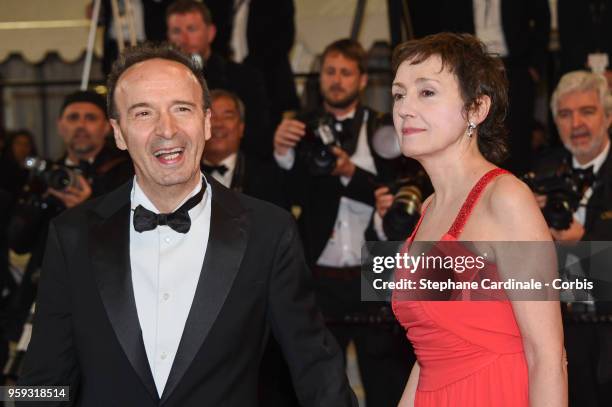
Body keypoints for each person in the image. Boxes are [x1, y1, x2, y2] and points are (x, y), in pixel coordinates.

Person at [18, 44, 356, 407]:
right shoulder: (71, 235)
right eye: (144, 113)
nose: (167, 130)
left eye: (182, 108)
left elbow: (316, 367)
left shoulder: (269, 231)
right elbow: (42, 379)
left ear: (207, 121)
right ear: (118, 132)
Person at [390, 33, 567, 406]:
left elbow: (548, 357)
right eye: (398, 94)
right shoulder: (428, 209)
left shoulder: (505, 199)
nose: (405, 108)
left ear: (476, 109)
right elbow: (430, 356)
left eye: (426, 92)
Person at [274, 38, 414, 406]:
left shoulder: (385, 127)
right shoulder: (299, 129)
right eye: (330, 72)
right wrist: (282, 154)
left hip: (375, 269)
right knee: (322, 383)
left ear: (363, 80)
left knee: (385, 380)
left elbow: (396, 192)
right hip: (320, 272)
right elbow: (286, 198)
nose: (336, 80)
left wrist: (351, 173)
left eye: (345, 72)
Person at [535, 70, 612, 406]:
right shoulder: (539, 172)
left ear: (608, 116)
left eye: (587, 111)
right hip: (560, 334)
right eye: (565, 115)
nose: (576, 123)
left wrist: (582, 244)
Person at [166, 0, 271, 160]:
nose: (184, 39)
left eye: (192, 29)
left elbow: (258, 136)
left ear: (211, 33)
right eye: (176, 31)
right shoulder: (160, 82)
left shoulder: (245, 78)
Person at [202, 89, 286, 208]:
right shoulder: (183, 175)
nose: (218, 124)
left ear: (241, 128)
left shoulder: (268, 178)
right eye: (211, 116)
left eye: (228, 116)